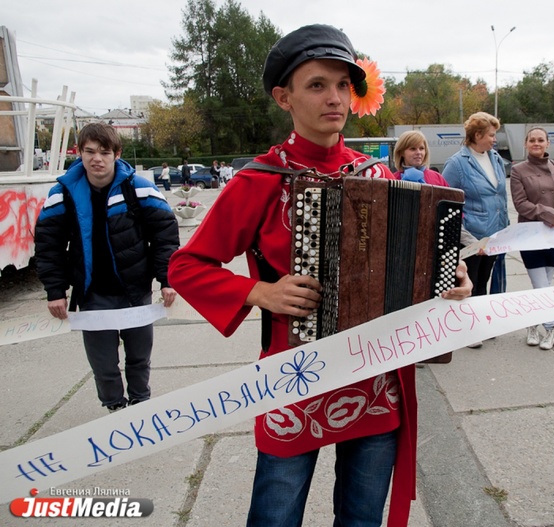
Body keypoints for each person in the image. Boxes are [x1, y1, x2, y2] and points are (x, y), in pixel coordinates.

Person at [167, 24, 472, 527]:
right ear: (284, 97)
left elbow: (413, 262)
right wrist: (259, 291)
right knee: (275, 517)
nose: (334, 98)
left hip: (374, 377)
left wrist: (448, 279)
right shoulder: (258, 181)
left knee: (361, 518)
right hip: (294, 377)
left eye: (342, 85)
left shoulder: (377, 175)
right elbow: (185, 266)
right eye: (316, 85)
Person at [34, 122, 179, 412]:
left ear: (117, 154)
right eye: (89, 152)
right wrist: (55, 291)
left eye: (104, 152)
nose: (96, 159)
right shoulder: (62, 193)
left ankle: (140, 404)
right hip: (92, 295)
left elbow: (165, 236)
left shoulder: (139, 188)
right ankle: (114, 408)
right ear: (80, 153)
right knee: (104, 365)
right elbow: (48, 245)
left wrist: (167, 279)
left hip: (135, 292)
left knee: (139, 358)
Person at [441, 111, 509, 349]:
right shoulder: (456, 164)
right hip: (471, 237)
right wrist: (470, 240)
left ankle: (478, 323)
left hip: (495, 235)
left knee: (484, 281)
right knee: (470, 282)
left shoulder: (495, 158)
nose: (494, 139)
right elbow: (447, 202)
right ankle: (467, 329)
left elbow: (500, 195)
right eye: (491, 135)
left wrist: (504, 229)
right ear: (477, 135)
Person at [509, 127, 554, 350]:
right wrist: (548, 213)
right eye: (532, 140)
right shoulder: (518, 170)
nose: (536, 143)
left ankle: (532, 323)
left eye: (541, 140)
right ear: (526, 144)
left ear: (548, 143)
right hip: (531, 233)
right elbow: (520, 204)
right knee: (540, 284)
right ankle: (551, 326)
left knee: (545, 282)